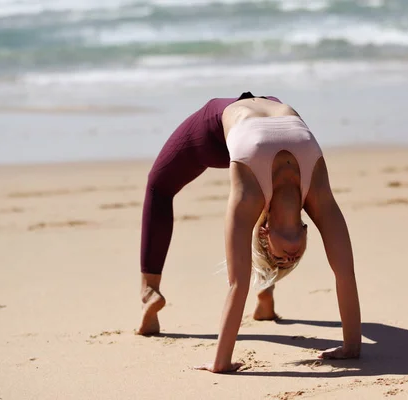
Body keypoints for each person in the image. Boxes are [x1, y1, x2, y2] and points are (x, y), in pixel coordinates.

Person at [137, 92, 361, 373]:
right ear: (306, 231)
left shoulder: (251, 197)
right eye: (286, 263)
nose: (288, 260)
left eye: (279, 260)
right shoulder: (317, 195)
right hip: (262, 110)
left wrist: (221, 362)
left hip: (244, 123)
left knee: (160, 186)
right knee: (157, 187)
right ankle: (154, 291)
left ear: (264, 231)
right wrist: (351, 344)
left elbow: (237, 283)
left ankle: (151, 291)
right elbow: (345, 272)